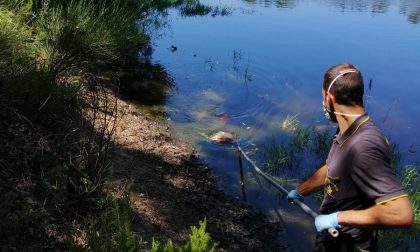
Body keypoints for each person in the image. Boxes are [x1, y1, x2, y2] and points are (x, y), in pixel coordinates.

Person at [287, 63, 414, 251]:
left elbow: (401, 214)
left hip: (350, 243)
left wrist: (337, 218)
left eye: (322, 97)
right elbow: (333, 167)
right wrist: (301, 191)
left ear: (329, 98)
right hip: (333, 237)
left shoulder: (364, 145)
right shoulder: (347, 128)